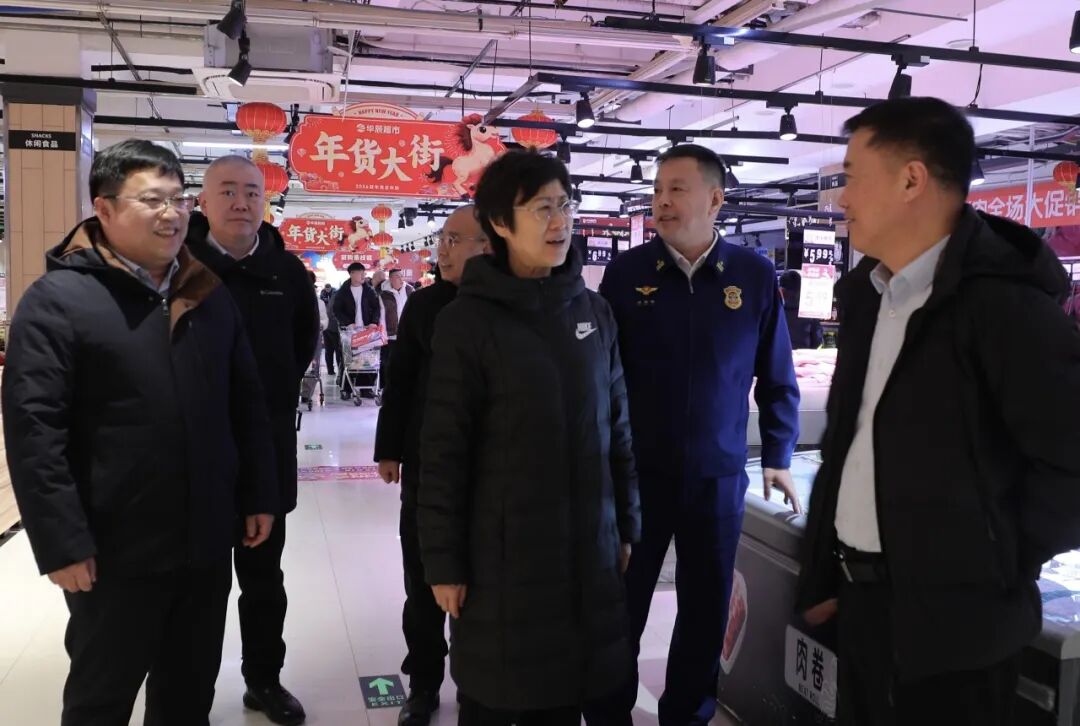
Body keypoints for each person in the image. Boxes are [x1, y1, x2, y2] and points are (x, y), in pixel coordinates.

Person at [795, 97, 1080, 726]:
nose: (841, 198)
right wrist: (827, 573)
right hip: (861, 609)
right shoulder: (868, 297)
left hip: (961, 635)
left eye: (852, 176)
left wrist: (990, 566)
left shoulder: (1006, 308)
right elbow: (847, 443)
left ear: (911, 180)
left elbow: (1069, 463)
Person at [2, 139, 278, 726]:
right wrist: (61, 540)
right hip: (114, 550)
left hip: (205, 539)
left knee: (188, 693)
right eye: (152, 200)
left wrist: (258, 494)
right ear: (103, 208)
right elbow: (34, 430)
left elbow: (246, 402)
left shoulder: (205, 292)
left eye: (178, 199)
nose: (172, 214)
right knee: (102, 696)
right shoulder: (59, 300)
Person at [418, 151, 641, 726]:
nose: (559, 221)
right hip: (502, 556)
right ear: (500, 223)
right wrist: (443, 562)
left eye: (565, 205)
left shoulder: (595, 312)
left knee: (565, 696)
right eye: (542, 208)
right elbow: (443, 452)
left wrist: (626, 525)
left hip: (588, 548)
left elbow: (617, 428)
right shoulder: (467, 322)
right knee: (495, 694)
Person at [586, 144, 800, 726]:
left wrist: (778, 452)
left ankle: (687, 715)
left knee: (705, 611)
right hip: (635, 476)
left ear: (715, 199)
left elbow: (776, 374)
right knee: (620, 607)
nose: (662, 201)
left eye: (676, 189)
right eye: (657, 190)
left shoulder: (752, 276)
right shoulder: (627, 274)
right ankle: (607, 714)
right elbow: (600, 376)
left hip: (718, 476)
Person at [185, 155, 319, 726]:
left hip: (266, 450)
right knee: (197, 585)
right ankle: (187, 694)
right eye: (227, 191)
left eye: (251, 192)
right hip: (192, 455)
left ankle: (263, 680)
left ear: (265, 201)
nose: (241, 202)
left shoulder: (287, 273)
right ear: (202, 201)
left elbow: (303, 346)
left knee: (264, 580)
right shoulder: (177, 266)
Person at [374, 206, 491, 726]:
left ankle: (477, 683)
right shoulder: (424, 305)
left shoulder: (507, 304)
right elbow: (401, 382)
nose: (442, 249)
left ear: (490, 245)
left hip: (489, 470)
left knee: (481, 584)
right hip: (427, 464)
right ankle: (423, 682)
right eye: (443, 238)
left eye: (456, 240)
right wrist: (389, 449)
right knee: (421, 580)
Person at [378, 268, 414, 392]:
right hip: (389, 335)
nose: (400, 279)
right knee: (387, 362)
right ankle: (385, 386)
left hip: (406, 334)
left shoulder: (410, 290)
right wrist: (383, 335)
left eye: (401, 276)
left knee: (405, 361)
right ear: (391, 279)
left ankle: (404, 386)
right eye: (397, 276)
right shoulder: (384, 294)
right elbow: (381, 315)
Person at [778, 269, 824, 349]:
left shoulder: (775, 312)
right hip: (804, 355)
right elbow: (817, 341)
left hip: (780, 355)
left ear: (781, 290)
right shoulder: (809, 313)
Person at [333, 262, 381, 332]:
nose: (363, 276)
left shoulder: (369, 291)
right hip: (350, 330)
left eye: (364, 273)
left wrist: (374, 322)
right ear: (351, 274)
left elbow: (376, 307)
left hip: (367, 328)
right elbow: (337, 310)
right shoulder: (342, 292)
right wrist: (348, 323)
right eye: (361, 274)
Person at [320, 283, 343, 377]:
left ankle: (330, 370)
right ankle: (340, 372)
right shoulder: (339, 296)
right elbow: (333, 313)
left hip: (327, 327)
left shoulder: (334, 295)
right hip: (334, 328)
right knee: (338, 350)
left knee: (329, 350)